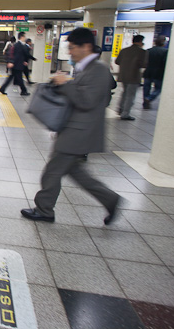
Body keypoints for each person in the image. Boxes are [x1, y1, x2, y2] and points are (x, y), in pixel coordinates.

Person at [21, 28, 121, 224]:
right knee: (77, 173)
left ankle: (44, 209)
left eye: (73, 48)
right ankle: (111, 199)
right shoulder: (88, 68)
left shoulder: (99, 70)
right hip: (75, 130)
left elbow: (87, 101)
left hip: (78, 133)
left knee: (52, 172)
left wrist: (65, 84)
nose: (70, 52)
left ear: (87, 47)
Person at [115, 35, 148, 120]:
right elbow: (144, 64)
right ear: (141, 42)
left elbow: (117, 61)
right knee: (130, 95)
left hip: (123, 75)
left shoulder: (124, 50)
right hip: (134, 76)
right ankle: (125, 114)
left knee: (124, 93)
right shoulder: (142, 52)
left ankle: (120, 109)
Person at [0, 32, 30, 96]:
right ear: (22, 37)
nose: (25, 38)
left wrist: (23, 61)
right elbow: (15, 55)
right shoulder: (18, 45)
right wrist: (12, 62)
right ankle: (23, 91)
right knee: (19, 78)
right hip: (16, 65)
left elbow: (20, 55)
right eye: (24, 36)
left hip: (16, 64)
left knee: (12, 77)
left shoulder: (18, 45)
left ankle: (2, 88)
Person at [142, 35, 168, 109]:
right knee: (158, 88)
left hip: (148, 72)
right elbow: (164, 63)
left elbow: (145, 62)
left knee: (146, 88)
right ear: (163, 43)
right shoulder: (165, 51)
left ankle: (145, 101)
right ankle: (149, 98)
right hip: (158, 73)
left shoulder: (149, 50)